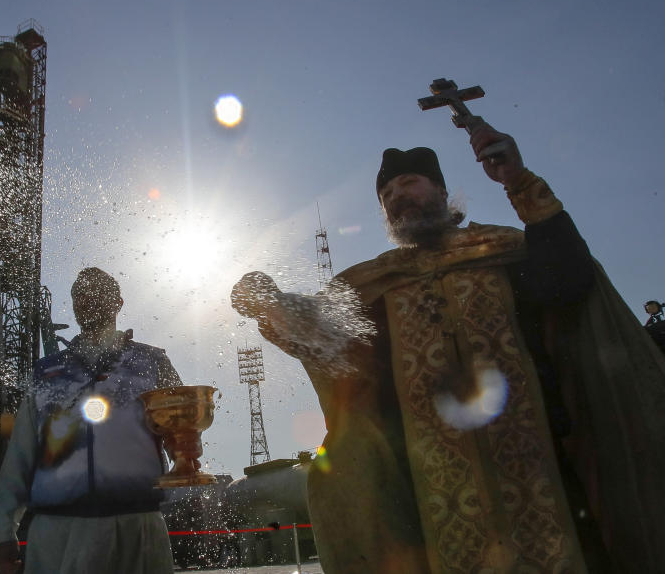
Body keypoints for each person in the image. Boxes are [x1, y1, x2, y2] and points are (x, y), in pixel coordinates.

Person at [232, 122, 665, 573]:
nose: (398, 195)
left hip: (543, 468)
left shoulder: (502, 250)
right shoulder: (375, 285)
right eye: (388, 195)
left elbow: (569, 281)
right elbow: (328, 338)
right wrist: (270, 301)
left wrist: (517, 180)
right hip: (431, 489)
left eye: (409, 183)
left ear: (441, 191)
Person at [0, 267, 183, 574]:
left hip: (138, 529)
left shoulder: (153, 362)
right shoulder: (45, 372)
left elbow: (181, 435)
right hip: (57, 534)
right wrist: (3, 533)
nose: (87, 298)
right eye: (80, 293)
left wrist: (186, 452)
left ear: (119, 302)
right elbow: (20, 458)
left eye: (98, 290)